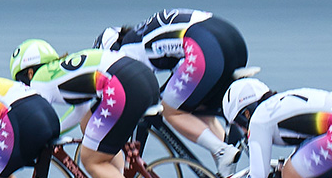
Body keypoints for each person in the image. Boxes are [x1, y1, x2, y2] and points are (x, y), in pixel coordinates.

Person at [11, 38, 163, 178]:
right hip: (144, 80)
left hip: (123, 87)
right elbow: (80, 112)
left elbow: (38, 120)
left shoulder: (39, 79)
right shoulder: (60, 71)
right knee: (89, 124)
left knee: (91, 159)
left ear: (30, 72)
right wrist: (55, 135)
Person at [97, 10, 247, 167]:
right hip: (230, 40)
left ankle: (221, 151)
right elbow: (178, 71)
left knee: (171, 111)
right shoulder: (140, 36)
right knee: (197, 111)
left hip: (207, 48)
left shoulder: (126, 52)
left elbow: (135, 91)